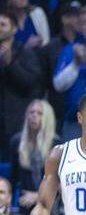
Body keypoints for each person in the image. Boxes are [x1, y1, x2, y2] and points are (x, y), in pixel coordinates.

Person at [0, 10, 44, 150]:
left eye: (3, 25)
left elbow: (30, 83)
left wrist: (10, 63)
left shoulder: (26, 53)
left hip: (17, 122)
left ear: (14, 29)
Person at [9, 100, 56, 212]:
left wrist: (37, 196)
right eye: (31, 112)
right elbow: (13, 178)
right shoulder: (17, 142)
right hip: (25, 203)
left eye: (39, 113)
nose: (34, 116)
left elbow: (60, 182)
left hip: (51, 204)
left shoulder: (56, 145)